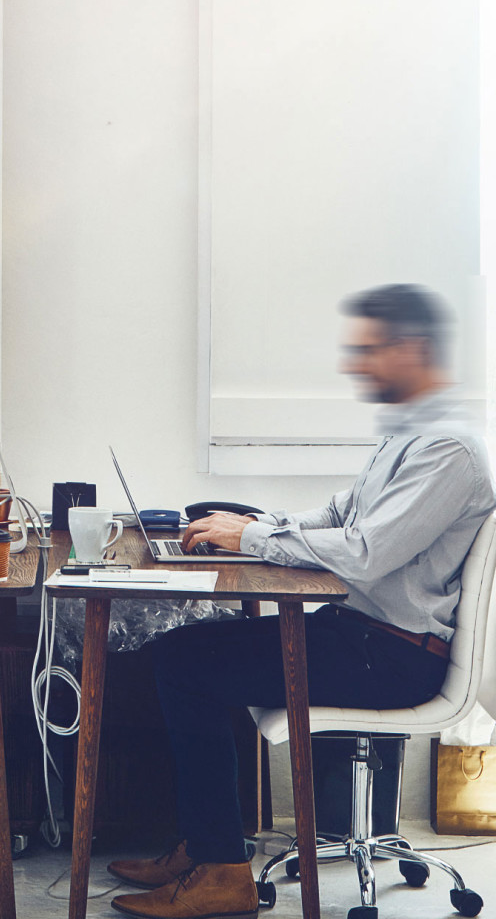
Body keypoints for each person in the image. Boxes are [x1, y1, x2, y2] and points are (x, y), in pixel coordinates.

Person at [107, 285, 495, 919]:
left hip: (393, 657)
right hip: (362, 635)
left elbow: (366, 551)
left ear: (412, 348)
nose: (356, 365)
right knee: (182, 649)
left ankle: (223, 874)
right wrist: (254, 525)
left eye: (369, 350)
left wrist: (253, 539)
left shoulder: (447, 450)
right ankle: (207, 847)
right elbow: (340, 514)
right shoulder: (411, 435)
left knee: (186, 666)